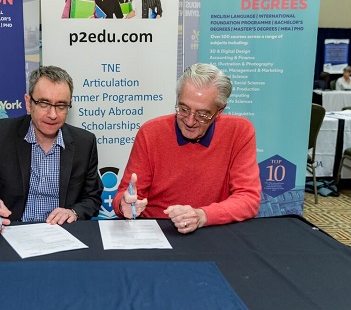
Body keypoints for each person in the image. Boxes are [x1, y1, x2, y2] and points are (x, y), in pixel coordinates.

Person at [111, 63, 261, 234]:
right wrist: (123, 205)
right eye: (183, 109)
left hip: (211, 229)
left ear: (219, 111)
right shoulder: (151, 132)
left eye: (202, 114)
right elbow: (125, 194)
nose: (190, 121)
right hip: (157, 229)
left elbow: (248, 198)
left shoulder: (239, 132)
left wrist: (202, 216)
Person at [0, 66, 103, 233]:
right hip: (11, 231)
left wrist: (73, 213)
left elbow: (92, 197)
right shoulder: (0, 134)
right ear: (28, 103)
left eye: (61, 106)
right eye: (44, 103)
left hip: (63, 235)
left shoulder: (84, 142)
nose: (53, 114)